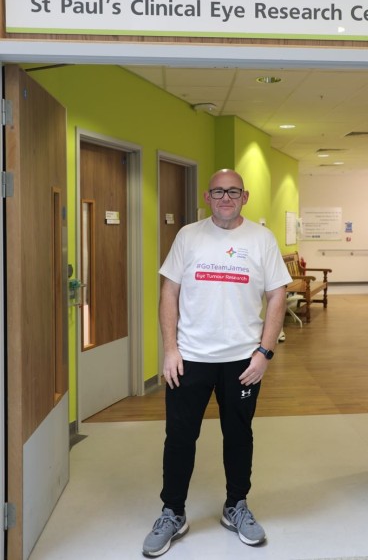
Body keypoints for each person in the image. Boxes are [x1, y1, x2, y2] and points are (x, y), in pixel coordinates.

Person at [142, 169, 291, 558]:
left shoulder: (261, 239)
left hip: (243, 360)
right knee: (179, 437)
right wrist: (170, 349)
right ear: (208, 197)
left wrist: (264, 352)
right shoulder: (188, 236)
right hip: (190, 358)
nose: (226, 197)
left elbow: (278, 295)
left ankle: (235, 506)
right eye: (219, 192)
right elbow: (169, 291)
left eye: (234, 192)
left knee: (239, 435)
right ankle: (172, 512)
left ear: (245, 196)